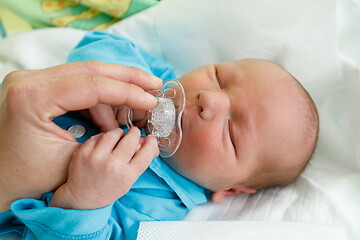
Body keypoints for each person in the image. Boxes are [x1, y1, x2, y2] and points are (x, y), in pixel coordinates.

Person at [0, 31, 319, 239]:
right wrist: (119, 77)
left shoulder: (160, 208)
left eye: (230, 132)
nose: (210, 100)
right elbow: (102, 42)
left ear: (231, 189)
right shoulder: (157, 78)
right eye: (219, 78)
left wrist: (85, 202)